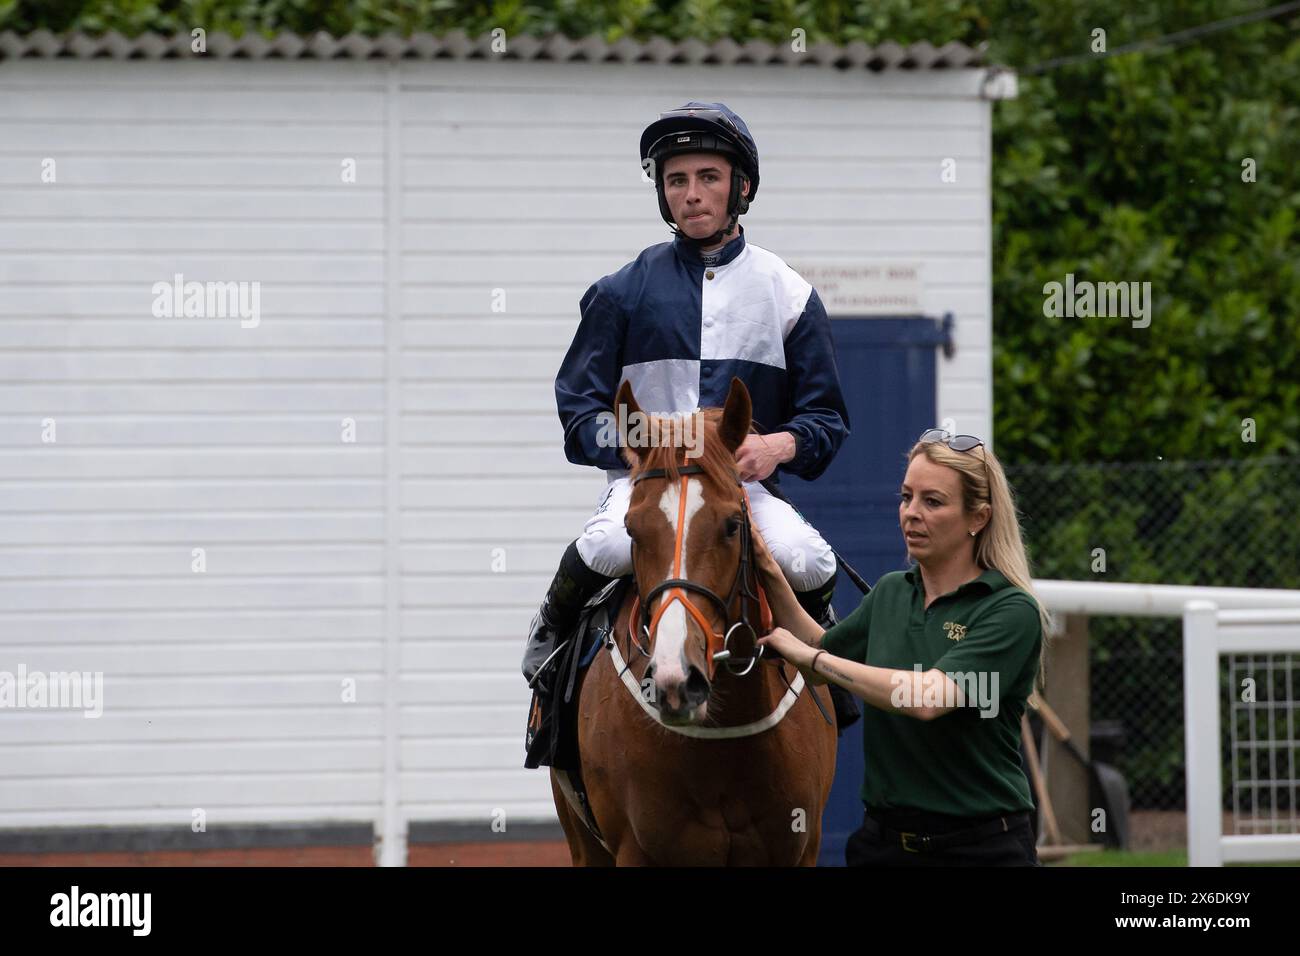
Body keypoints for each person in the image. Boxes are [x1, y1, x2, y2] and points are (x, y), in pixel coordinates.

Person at [522, 102, 851, 704]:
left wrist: (777, 445)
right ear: (662, 193)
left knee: (807, 557)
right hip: (647, 484)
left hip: (737, 489)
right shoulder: (619, 293)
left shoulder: (790, 294)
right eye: (677, 180)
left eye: (708, 178)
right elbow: (578, 409)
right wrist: (627, 441)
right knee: (603, 545)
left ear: (741, 187)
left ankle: (830, 679)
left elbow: (827, 420)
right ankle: (553, 647)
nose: (692, 195)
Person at [756, 429, 1051, 866]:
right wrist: (768, 571)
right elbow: (823, 655)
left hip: (982, 849)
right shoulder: (893, 592)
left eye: (933, 502)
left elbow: (928, 698)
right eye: (906, 497)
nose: (911, 513)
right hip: (884, 846)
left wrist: (814, 659)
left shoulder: (1010, 610)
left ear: (979, 518)